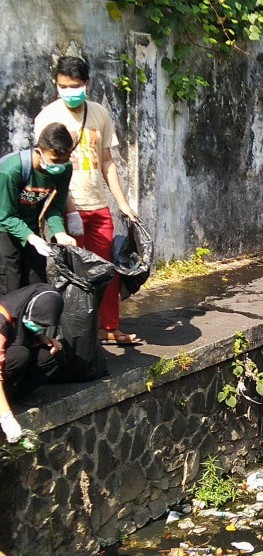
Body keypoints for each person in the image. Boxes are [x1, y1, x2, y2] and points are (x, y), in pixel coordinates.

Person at [34, 56, 140, 346]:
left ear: (87, 84)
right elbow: (46, 168)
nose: (69, 91)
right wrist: (69, 213)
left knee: (108, 270)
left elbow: (107, 162)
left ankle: (109, 327)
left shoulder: (99, 114)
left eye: (75, 85)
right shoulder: (47, 117)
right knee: (73, 275)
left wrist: (123, 203)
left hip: (97, 205)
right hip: (65, 208)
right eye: (63, 86)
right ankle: (75, 333)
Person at [0, 123, 77, 295]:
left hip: (31, 226)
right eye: (55, 161)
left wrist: (60, 233)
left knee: (37, 284)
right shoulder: (11, 170)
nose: (60, 166)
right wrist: (31, 238)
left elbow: (55, 206)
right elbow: (5, 216)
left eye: (65, 160)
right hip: (4, 228)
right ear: (39, 152)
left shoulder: (64, 169)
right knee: (10, 286)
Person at [0, 284, 65, 443]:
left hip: (9, 364)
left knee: (48, 356)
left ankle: (13, 395)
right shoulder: (1, 319)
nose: (38, 327)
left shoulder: (26, 306)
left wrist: (42, 338)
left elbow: (23, 331)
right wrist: (6, 417)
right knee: (19, 354)